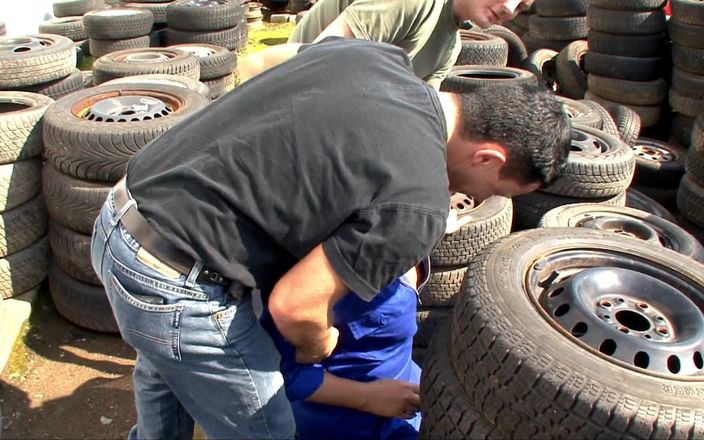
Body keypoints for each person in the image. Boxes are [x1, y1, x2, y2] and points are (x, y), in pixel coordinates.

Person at [90, 37, 571, 440]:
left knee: (164, 376)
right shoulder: (417, 204)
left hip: (122, 210)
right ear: (488, 157)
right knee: (267, 429)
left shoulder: (375, 58)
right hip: (174, 281)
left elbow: (270, 64)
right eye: (496, 189)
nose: (473, 195)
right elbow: (295, 307)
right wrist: (317, 345)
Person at [259, 259, 430, 440]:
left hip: (406, 391)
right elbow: (279, 369)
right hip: (351, 427)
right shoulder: (328, 282)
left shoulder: (412, 241)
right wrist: (368, 397)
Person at [288, 0, 534, 88]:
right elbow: (316, 63)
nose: (510, 8)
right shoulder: (415, 2)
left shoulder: (450, 48)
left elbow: (418, 116)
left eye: (522, 6)